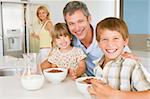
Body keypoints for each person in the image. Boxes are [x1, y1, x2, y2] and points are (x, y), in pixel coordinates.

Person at [63, 1, 134, 76]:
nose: (77, 28)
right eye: (71, 23)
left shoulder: (104, 35)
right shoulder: (69, 40)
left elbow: (128, 58)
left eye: (80, 21)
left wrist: (129, 59)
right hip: (87, 82)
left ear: (89, 18)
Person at [88, 17, 150, 99]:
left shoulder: (131, 65)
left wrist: (115, 95)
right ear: (99, 43)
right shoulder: (97, 66)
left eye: (116, 38)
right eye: (105, 39)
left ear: (125, 41)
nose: (110, 44)